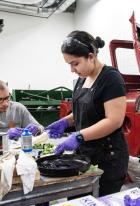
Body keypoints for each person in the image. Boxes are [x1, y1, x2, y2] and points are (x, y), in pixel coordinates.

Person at [46, 30, 129, 196]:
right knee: (78, 202)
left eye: (75, 63)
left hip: (108, 158)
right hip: (85, 155)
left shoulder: (111, 79)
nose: (72, 70)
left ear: (91, 56)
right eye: (69, 64)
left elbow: (114, 121)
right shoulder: (82, 79)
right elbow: (84, 112)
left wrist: (79, 136)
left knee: (100, 205)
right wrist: (66, 121)